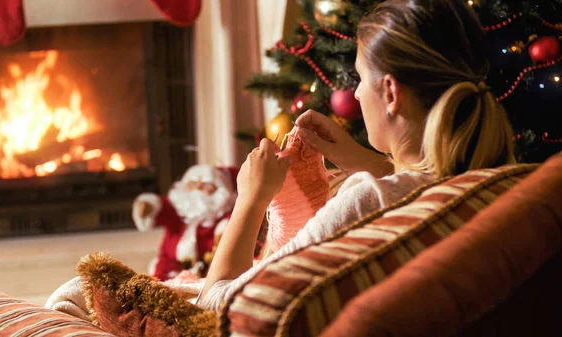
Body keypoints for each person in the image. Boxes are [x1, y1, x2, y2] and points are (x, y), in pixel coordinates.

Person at [198, 0, 515, 310]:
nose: (358, 94)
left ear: (390, 93)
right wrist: (370, 163)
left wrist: (251, 199)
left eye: (361, 78)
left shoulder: (366, 203)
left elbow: (216, 306)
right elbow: (421, 182)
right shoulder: (499, 177)